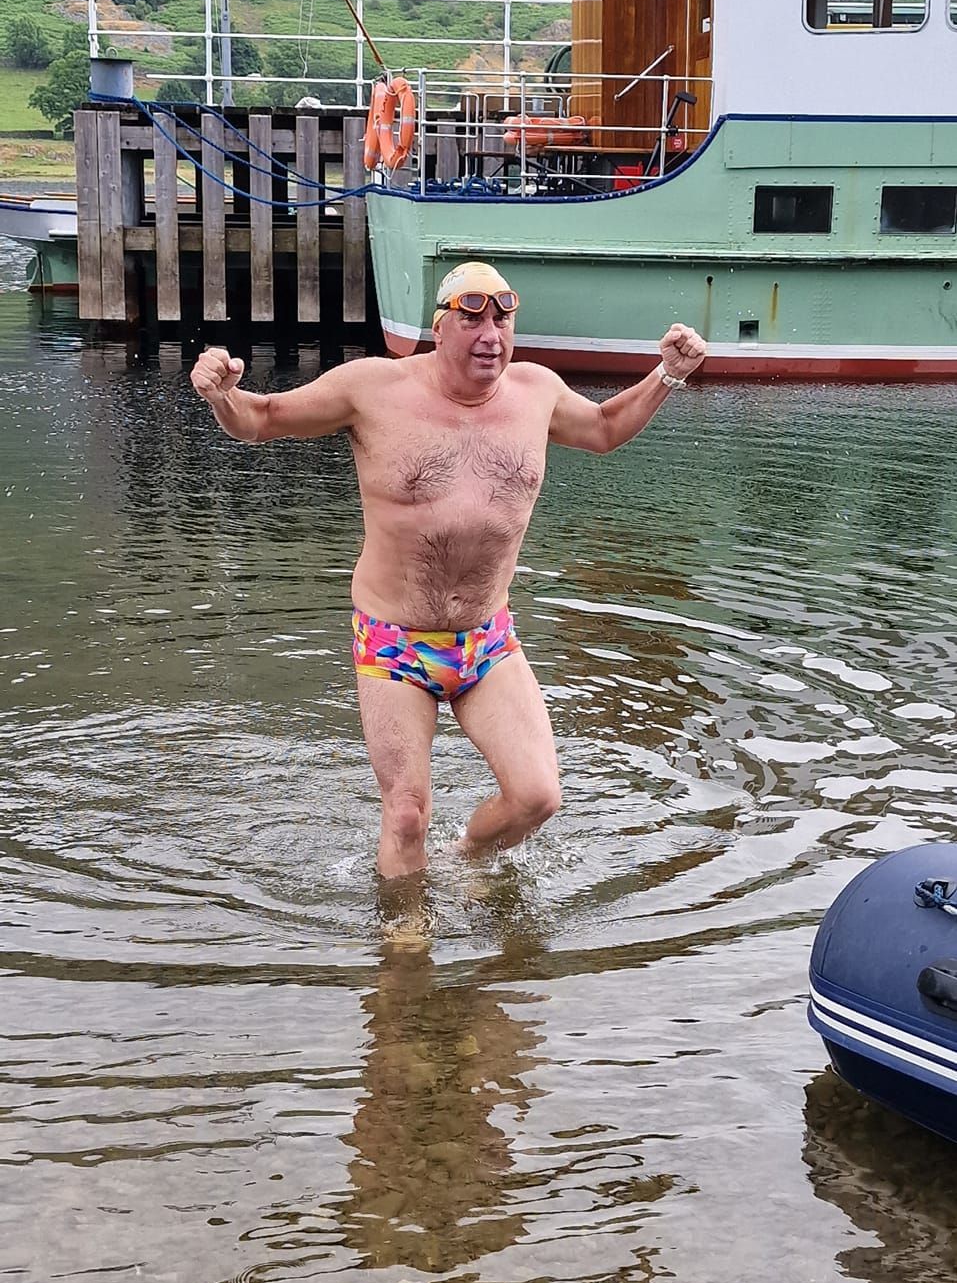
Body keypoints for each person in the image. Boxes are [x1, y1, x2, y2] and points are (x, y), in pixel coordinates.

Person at [190, 261, 706, 879]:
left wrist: (667, 374)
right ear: (439, 329)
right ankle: (405, 937)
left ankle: (468, 861)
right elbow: (263, 418)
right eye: (472, 320)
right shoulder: (373, 388)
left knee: (537, 796)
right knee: (407, 814)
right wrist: (223, 395)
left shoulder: (536, 392)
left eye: (502, 321)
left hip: (486, 639)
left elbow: (603, 428)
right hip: (394, 642)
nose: (491, 336)